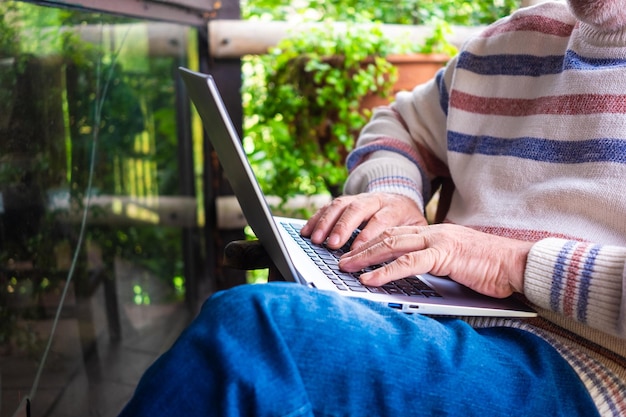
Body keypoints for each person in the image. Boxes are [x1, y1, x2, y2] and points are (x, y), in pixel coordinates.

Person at [119, 0, 626, 415]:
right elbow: (398, 125)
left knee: (260, 334)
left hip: (590, 372)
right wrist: (394, 194)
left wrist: (512, 262)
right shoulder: (514, 39)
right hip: (443, 312)